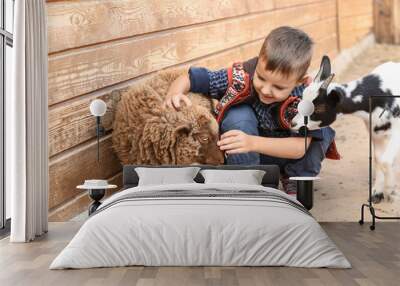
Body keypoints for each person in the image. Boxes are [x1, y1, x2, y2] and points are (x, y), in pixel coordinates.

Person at [164, 26, 338, 195]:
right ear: (258, 64)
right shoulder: (242, 77)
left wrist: (252, 142)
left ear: (300, 82)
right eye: (261, 78)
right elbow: (192, 78)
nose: (266, 89)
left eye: (278, 87)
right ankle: (247, 177)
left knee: (320, 133)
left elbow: (300, 148)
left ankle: (294, 177)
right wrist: (174, 93)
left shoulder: (307, 100)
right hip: (254, 150)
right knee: (237, 114)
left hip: (290, 153)